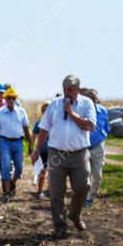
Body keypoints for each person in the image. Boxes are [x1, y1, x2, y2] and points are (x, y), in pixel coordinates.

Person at [36, 75, 97, 237]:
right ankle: (60, 225)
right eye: (64, 89)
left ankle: (75, 214)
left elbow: (90, 125)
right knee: (56, 192)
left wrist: (71, 113)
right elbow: (43, 127)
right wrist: (37, 149)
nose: (67, 92)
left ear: (78, 89)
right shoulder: (55, 104)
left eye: (70, 89)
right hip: (56, 153)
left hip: (79, 153)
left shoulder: (87, 103)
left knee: (84, 186)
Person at [0, 87, 32, 200]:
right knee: (6, 166)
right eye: (8, 98)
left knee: (19, 168)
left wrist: (30, 145)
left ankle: (13, 182)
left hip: (18, 141)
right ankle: (7, 192)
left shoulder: (21, 111)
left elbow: (26, 128)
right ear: (5, 99)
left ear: (15, 99)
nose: (10, 100)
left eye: (13, 98)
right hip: (4, 141)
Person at [82, 88, 109, 207]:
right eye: (90, 97)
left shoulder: (103, 111)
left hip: (98, 146)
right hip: (84, 147)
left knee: (97, 175)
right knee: (84, 174)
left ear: (97, 99)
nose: (92, 99)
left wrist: (103, 135)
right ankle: (85, 198)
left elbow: (106, 127)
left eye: (94, 97)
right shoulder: (81, 110)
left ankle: (92, 195)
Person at [30, 103, 50, 199]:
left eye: (48, 110)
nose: (46, 112)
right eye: (44, 110)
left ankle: (51, 190)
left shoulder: (56, 122)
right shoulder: (39, 123)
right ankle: (40, 191)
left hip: (55, 150)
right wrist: (32, 148)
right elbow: (34, 136)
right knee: (44, 170)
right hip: (43, 150)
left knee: (55, 172)